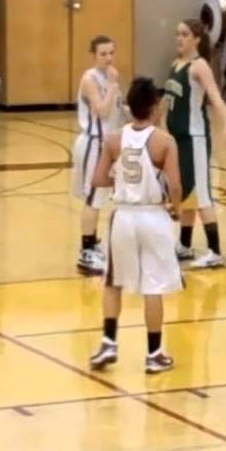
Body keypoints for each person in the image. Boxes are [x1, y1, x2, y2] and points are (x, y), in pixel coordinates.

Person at [87, 77, 183, 374]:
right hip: (153, 214)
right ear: (155, 107)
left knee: (113, 282)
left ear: (129, 106)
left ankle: (108, 342)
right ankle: (154, 353)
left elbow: (98, 179)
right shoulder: (164, 141)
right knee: (153, 285)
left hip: (123, 216)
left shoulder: (114, 139)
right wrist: (176, 208)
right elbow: (175, 186)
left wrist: (123, 178)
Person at [159, 19, 226, 269]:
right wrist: (152, 122)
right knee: (186, 193)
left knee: (201, 194)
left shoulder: (199, 66)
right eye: (177, 34)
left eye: (184, 34)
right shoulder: (175, 65)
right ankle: (184, 245)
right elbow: (166, 101)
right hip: (177, 140)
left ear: (196, 39)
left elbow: (215, 97)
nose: (179, 38)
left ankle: (215, 252)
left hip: (195, 139)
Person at [72, 35, 124, 275]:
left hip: (108, 143)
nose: (109, 58)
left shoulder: (110, 79)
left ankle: (93, 244)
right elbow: (102, 111)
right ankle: (86, 250)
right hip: (93, 142)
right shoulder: (89, 79)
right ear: (94, 55)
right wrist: (113, 87)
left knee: (100, 197)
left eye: (111, 53)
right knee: (93, 197)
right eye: (103, 54)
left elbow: (118, 110)